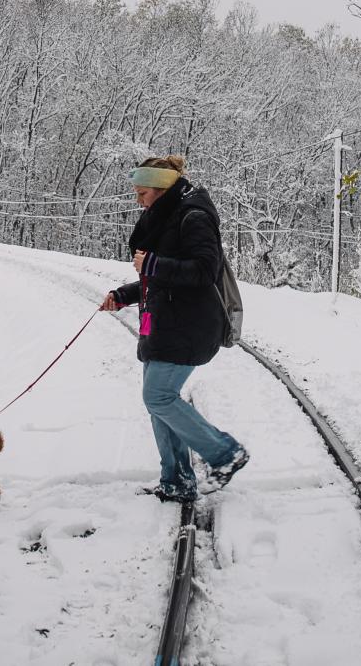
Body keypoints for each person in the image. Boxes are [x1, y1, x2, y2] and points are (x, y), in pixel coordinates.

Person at [97, 155, 248, 503]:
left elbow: (202, 271)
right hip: (164, 323)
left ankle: (226, 454)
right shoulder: (165, 216)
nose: (139, 201)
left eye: (143, 193)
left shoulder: (193, 216)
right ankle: (177, 480)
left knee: (159, 396)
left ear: (162, 188)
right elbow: (159, 281)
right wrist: (123, 295)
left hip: (190, 325)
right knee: (158, 401)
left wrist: (151, 262)